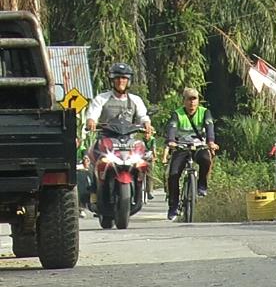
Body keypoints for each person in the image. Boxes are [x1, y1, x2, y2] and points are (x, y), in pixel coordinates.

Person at [165, 87, 218, 220]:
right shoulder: (177, 114)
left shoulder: (205, 112)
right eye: (189, 99)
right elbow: (172, 128)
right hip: (181, 147)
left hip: (199, 146)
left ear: (198, 101)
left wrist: (211, 142)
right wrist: (171, 141)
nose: (192, 102)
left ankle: (201, 185)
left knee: (206, 160)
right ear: (184, 101)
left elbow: (209, 127)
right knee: (173, 175)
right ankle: (173, 206)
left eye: (194, 99)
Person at [84, 63, 153, 138]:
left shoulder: (136, 100)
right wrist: (91, 120)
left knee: (143, 148)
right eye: (117, 78)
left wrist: (146, 123)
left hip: (129, 142)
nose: (120, 81)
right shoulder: (101, 98)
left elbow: (142, 116)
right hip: (105, 141)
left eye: (124, 78)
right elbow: (93, 114)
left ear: (129, 81)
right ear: (112, 80)